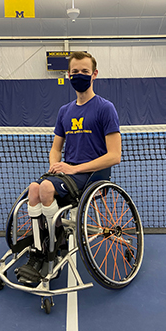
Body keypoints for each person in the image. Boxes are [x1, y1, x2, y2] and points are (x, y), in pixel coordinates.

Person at [16, 51, 121, 284]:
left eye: (85, 71)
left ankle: (52, 247)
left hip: (92, 177)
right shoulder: (65, 111)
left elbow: (114, 156)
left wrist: (75, 169)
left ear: (94, 74)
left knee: (44, 188)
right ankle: (37, 252)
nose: (79, 75)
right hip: (67, 173)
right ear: (68, 75)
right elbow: (56, 148)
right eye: (75, 72)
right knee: (34, 188)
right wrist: (56, 164)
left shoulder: (105, 108)